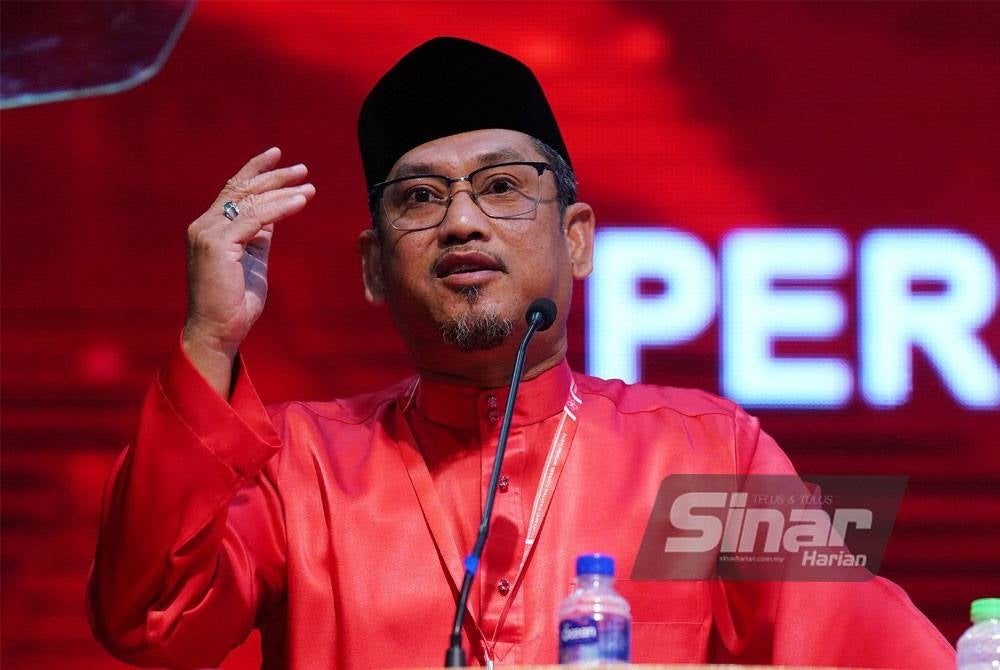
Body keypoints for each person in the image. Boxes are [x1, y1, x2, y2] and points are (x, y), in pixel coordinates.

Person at [88, 37, 955, 669]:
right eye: (420, 198)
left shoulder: (707, 457)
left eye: (502, 187)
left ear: (577, 240)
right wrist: (209, 339)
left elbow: (878, 652)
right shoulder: (302, 468)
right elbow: (151, 619)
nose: (462, 220)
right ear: (372, 269)